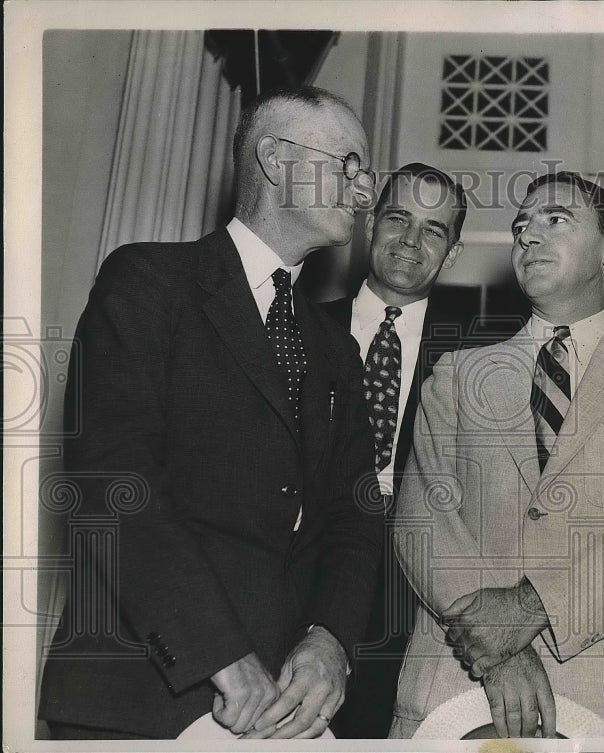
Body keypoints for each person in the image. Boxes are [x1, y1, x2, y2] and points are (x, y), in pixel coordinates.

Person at [38, 86, 384, 740]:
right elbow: (114, 482)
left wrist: (330, 637)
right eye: (348, 163)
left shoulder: (335, 347)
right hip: (143, 696)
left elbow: (355, 514)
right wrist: (220, 653)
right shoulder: (147, 282)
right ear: (278, 160)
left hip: (283, 713)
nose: (363, 188)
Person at [390, 172, 604, 738]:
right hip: (454, 688)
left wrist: (534, 608)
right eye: (521, 226)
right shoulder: (456, 374)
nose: (527, 236)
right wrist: (498, 652)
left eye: (556, 220)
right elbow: (422, 519)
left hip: (603, 699)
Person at [322, 163, 468, 738]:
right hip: (299, 577)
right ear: (368, 225)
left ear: (452, 254)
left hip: (413, 597)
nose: (411, 240)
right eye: (398, 218)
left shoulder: (479, 356)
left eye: (434, 230)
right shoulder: (297, 327)